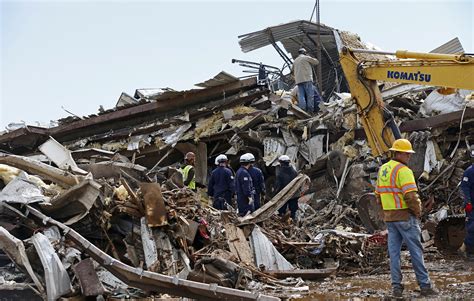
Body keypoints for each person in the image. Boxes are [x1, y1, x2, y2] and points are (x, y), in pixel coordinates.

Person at [375, 139, 437, 298]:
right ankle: (425, 286)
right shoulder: (403, 171)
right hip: (405, 217)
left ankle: (396, 287)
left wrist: (387, 211)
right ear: (399, 153)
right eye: (407, 154)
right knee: (416, 251)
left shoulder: (383, 169)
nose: (409, 157)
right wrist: (418, 212)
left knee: (394, 254)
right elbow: (410, 196)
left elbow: (377, 196)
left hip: (389, 218)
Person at [291, 48, 322, 113]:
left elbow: (292, 70)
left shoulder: (295, 61)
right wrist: (310, 56)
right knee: (310, 95)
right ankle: (310, 111)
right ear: (304, 53)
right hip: (307, 79)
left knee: (301, 96)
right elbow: (316, 62)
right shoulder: (306, 57)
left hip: (299, 81)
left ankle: (303, 110)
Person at [461, 146, 474, 260]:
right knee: (472, 228)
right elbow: (465, 188)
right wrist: (468, 202)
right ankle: (467, 250)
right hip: (472, 206)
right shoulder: (469, 172)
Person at [275, 155, 299, 220]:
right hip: (294, 194)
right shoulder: (294, 171)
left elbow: (278, 185)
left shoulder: (280, 173)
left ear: (281, 163)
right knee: (293, 210)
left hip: (284, 194)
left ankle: (282, 221)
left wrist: (276, 194)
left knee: (281, 210)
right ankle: (293, 221)